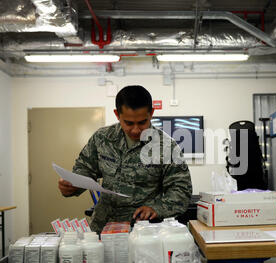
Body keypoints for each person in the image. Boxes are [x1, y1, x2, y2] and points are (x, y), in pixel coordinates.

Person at [58, 85, 193, 233]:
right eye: (128, 123)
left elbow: (181, 190)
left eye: (142, 122)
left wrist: (157, 208)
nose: (135, 130)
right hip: (104, 228)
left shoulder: (166, 147)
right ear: (117, 114)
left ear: (152, 113)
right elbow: (84, 169)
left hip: (144, 232)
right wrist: (72, 185)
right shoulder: (102, 138)